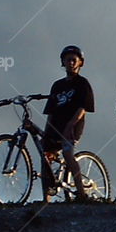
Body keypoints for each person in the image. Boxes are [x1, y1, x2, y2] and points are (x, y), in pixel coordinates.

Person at [39, 45, 94, 202]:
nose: (70, 63)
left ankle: (81, 193)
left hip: (73, 125)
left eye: (73, 60)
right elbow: (50, 111)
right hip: (55, 125)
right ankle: (46, 199)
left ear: (80, 63)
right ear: (62, 62)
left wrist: (71, 124)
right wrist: (46, 131)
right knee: (46, 158)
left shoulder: (83, 83)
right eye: (67, 60)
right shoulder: (57, 85)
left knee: (67, 153)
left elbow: (84, 107)